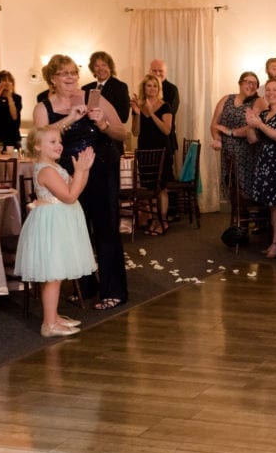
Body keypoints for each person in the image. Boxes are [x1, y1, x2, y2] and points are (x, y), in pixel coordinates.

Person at [34, 54, 129, 311]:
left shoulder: (92, 97)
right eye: (64, 73)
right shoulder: (43, 106)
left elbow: (123, 132)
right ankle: (87, 285)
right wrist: (70, 119)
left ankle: (114, 290)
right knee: (77, 229)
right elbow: (40, 139)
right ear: (52, 78)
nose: (71, 78)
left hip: (100, 169)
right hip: (66, 174)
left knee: (106, 228)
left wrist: (102, 123)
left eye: (74, 73)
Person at [13, 126, 96, 337]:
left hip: (61, 220)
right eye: (52, 142)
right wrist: (79, 172)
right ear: (37, 146)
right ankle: (48, 324)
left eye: (59, 141)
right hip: (53, 222)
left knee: (55, 274)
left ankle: (54, 316)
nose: (59, 145)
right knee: (53, 274)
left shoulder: (54, 167)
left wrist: (84, 171)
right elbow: (69, 196)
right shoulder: (46, 170)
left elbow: (76, 189)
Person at [246, 78, 276, 258]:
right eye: (268, 90)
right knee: (271, 206)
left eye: (274, 90)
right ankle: (275, 242)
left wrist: (260, 126)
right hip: (265, 162)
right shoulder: (264, 115)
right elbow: (252, 139)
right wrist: (251, 124)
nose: (271, 93)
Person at [210, 71, 266, 204]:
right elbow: (215, 124)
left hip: (248, 153)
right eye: (248, 82)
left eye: (255, 83)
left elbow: (253, 127)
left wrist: (230, 131)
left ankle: (244, 222)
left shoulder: (259, 101)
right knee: (232, 189)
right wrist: (217, 139)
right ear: (240, 83)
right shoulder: (226, 99)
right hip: (227, 153)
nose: (251, 85)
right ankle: (238, 221)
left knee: (245, 191)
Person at [129, 73, 174, 235]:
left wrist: (152, 113)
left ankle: (162, 221)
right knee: (150, 189)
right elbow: (135, 132)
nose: (152, 88)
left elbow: (166, 130)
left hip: (162, 152)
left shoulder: (165, 106)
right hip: (145, 153)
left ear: (158, 88)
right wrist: (138, 113)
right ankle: (154, 219)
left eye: (155, 85)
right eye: (149, 85)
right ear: (144, 88)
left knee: (161, 188)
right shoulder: (138, 106)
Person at [83, 51, 131, 128]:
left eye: (104, 65)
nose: (101, 69)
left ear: (110, 67)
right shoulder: (86, 88)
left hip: (110, 136)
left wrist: (100, 115)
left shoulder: (120, 87)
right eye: (97, 66)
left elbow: (123, 117)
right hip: (89, 136)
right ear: (93, 69)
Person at [149, 59, 180, 174]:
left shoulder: (172, 89)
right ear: (149, 71)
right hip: (148, 140)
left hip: (165, 139)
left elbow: (171, 112)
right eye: (154, 71)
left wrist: (150, 111)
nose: (157, 73)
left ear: (165, 72)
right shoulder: (145, 89)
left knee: (164, 178)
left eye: (160, 71)